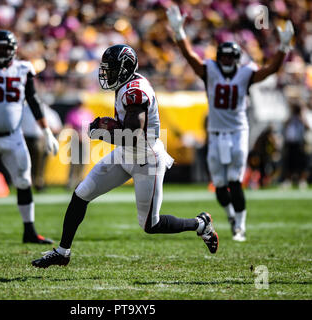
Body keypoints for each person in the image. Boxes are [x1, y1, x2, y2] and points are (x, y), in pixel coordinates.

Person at [31, 44, 219, 269]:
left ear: (124, 68)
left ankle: (201, 224)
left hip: (145, 158)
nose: (107, 73)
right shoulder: (125, 85)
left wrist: (100, 132)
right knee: (81, 193)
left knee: (150, 224)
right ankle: (63, 252)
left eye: (111, 69)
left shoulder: (135, 92)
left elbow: (133, 136)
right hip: (125, 153)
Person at [166, 5, 294, 241]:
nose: (225, 60)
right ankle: (231, 217)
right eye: (222, 56)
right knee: (219, 183)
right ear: (218, 58)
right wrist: (179, 32)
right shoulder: (210, 70)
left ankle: (240, 226)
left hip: (237, 132)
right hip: (215, 133)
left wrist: (284, 47)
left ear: (235, 58)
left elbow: (271, 69)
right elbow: (190, 56)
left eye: (229, 56)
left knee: (235, 180)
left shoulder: (245, 74)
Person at [0, 30, 59, 245]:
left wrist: (47, 131)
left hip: (14, 136)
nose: (3, 52)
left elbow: (33, 102)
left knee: (24, 181)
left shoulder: (23, 69)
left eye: (7, 48)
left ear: (14, 50)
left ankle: (29, 232)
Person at [21, 102, 62, 191]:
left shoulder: (48, 112)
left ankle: (38, 181)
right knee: (26, 161)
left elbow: (57, 127)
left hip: (40, 139)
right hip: (25, 138)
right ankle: (28, 181)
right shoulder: (24, 110)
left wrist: (47, 133)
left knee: (39, 161)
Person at [65, 99, 94, 190]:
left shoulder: (88, 113)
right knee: (74, 161)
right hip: (75, 139)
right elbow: (69, 126)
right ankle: (71, 181)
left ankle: (80, 180)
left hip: (85, 139)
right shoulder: (72, 113)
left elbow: (91, 127)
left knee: (84, 161)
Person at [281, 103, 310, 189]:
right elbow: (284, 124)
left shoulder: (304, 117)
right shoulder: (290, 117)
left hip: (300, 143)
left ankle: (302, 180)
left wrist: (302, 117)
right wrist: (291, 115)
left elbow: (308, 127)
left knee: (301, 162)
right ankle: (288, 180)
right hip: (290, 143)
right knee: (289, 162)